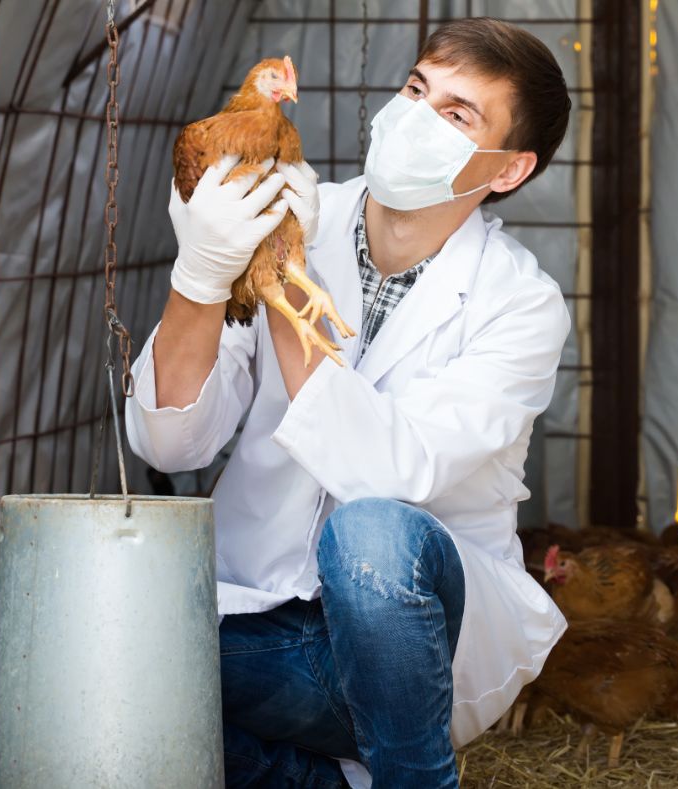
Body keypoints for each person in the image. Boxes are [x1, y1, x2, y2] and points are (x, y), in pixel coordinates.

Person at [125, 18, 572, 788]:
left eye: (457, 115)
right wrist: (200, 277)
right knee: (114, 672)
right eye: (414, 90)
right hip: (259, 615)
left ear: (508, 168)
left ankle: (411, 777)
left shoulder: (520, 304)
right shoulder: (294, 209)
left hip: (410, 649)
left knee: (371, 535)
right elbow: (171, 444)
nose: (416, 119)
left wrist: (276, 275)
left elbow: (394, 469)